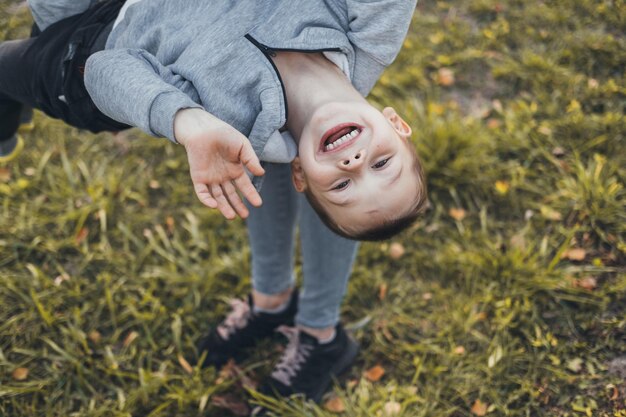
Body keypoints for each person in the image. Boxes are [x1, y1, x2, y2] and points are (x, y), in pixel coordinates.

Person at [0, 0, 426, 407]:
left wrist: (187, 120)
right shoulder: (368, 34)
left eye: (343, 184)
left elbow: (103, 69)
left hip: (89, 36)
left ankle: (311, 328)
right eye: (382, 162)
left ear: (301, 175)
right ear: (397, 124)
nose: (354, 162)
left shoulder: (226, 112)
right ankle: (272, 303)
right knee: (269, 147)